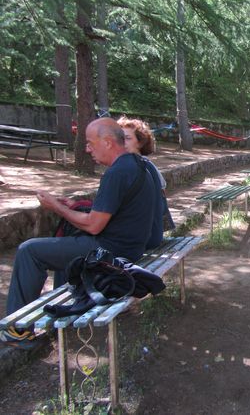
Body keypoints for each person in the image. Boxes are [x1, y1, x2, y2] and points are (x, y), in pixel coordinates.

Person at [0, 118, 160, 347]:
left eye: (90, 143)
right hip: (130, 248)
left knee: (29, 251)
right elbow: (118, 209)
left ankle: (17, 329)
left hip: (109, 252)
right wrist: (74, 205)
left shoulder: (117, 173)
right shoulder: (137, 165)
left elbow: (94, 225)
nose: (87, 149)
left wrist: (57, 207)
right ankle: (58, 315)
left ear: (107, 142)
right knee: (63, 247)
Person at [117, 116, 169, 246]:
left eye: (128, 138)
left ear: (140, 142)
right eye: (120, 138)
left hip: (141, 239)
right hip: (151, 235)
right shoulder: (145, 164)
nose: (123, 142)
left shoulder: (134, 168)